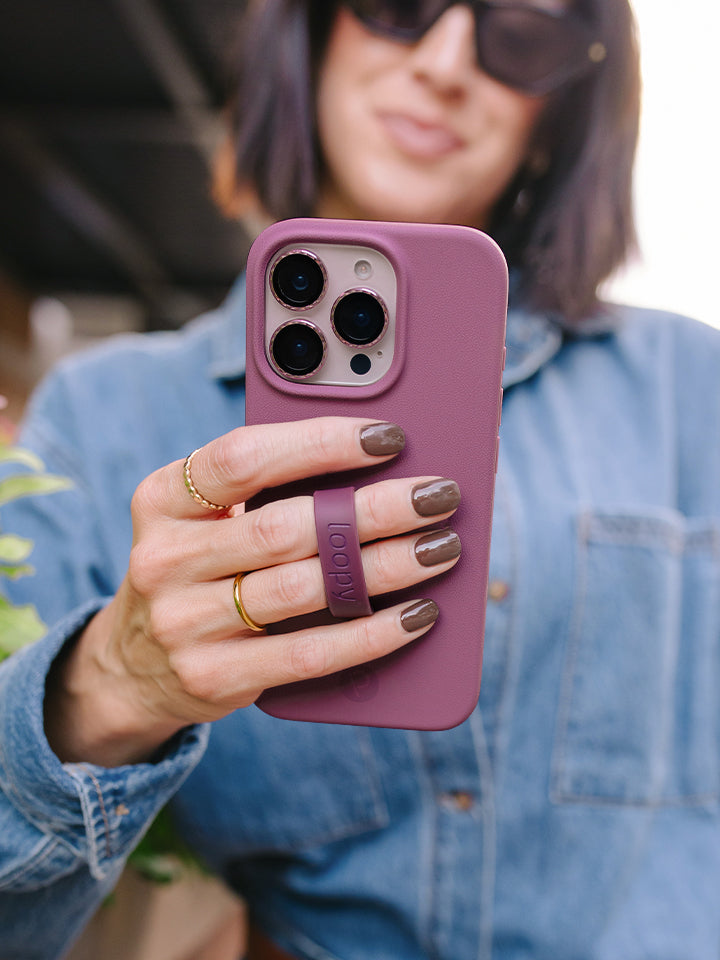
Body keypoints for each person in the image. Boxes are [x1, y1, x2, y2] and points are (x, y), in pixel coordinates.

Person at [1, 0, 719, 957]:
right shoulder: (108, 417)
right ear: (308, 30)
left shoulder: (691, 386)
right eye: (399, 6)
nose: (445, 63)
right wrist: (110, 685)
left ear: (566, 105)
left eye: (522, 30)